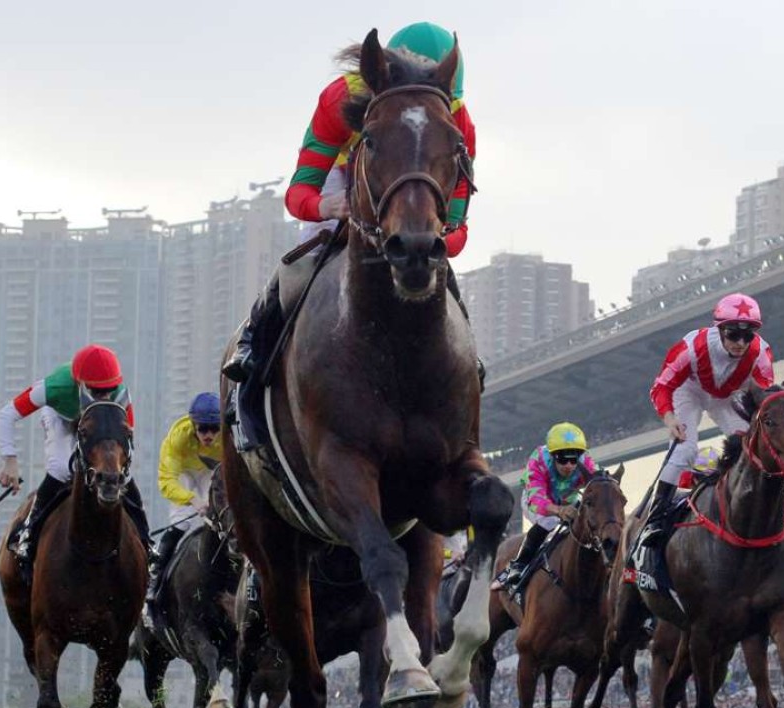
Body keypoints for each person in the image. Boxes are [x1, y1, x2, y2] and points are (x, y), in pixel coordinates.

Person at [223, 21, 477, 384]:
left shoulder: (458, 121)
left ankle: (471, 363)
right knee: (303, 266)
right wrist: (325, 208)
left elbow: (459, 227)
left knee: (444, 278)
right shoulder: (339, 98)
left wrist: (437, 238)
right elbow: (299, 195)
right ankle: (253, 346)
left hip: (413, 195)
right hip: (344, 180)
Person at [0, 344, 150, 577]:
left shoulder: (119, 395)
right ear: (78, 382)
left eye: (108, 389)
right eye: (96, 391)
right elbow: (7, 414)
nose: (104, 395)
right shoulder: (55, 387)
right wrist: (10, 461)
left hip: (95, 425)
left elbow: (128, 439)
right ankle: (28, 536)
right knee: (60, 467)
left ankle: (147, 542)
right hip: (61, 418)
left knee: (123, 475)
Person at [640, 293, 774, 547]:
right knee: (685, 450)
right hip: (688, 391)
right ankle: (654, 521)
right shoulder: (692, 346)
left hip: (726, 396)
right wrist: (670, 420)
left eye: (748, 336)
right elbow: (661, 387)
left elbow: (763, 399)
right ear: (720, 329)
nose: (741, 342)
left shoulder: (761, 354)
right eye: (733, 334)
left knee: (755, 443)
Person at [491, 422, 599, 592]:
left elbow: (598, 481)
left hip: (567, 498)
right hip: (536, 500)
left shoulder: (586, 462)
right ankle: (518, 565)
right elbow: (537, 500)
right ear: (553, 456)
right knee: (549, 523)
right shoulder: (539, 461)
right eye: (563, 460)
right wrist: (559, 510)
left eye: (574, 459)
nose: (569, 466)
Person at [145, 392, 224, 607]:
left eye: (214, 429)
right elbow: (166, 481)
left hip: (210, 470)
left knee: (222, 520)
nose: (209, 435)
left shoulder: (228, 438)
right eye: (203, 429)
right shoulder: (178, 438)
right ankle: (155, 576)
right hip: (184, 474)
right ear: (193, 426)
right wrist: (193, 500)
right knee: (183, 522)